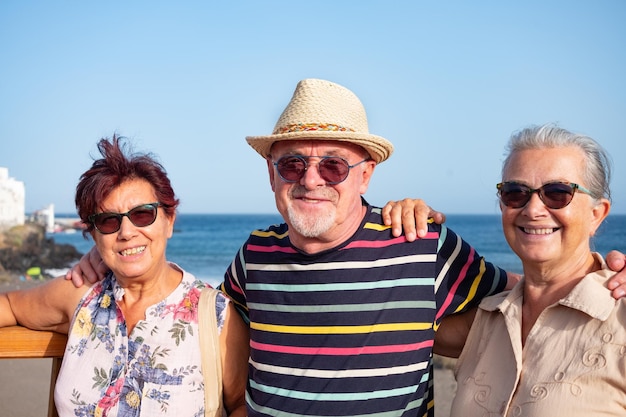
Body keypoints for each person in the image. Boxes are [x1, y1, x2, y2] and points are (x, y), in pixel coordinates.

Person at [67, 79, 626, 416]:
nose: (312, 179)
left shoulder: (423, 242)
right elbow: (194, 307)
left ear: (365, 174)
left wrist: (606, 274)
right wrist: (118, 264)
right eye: (293, 163)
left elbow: (532, 293)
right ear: (271, 174)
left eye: (332, 163)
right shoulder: (253, 256)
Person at [0, 137, 249, 417]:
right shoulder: (80, 296)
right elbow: (9, 306)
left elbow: (241, 403)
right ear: (94, 235)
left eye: (142, 214)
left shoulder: (214, 316)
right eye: (109, 220)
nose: (127, 232)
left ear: (170, 220)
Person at [444, 125, 625, 415]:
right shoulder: (485, 322)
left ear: (596, 214)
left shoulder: (619, 318)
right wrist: (400, 230)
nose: (533, 209)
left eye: (557, 193)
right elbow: (386, 324)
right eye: (516, 193)